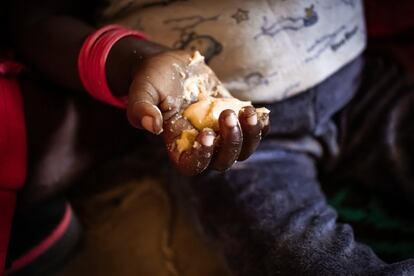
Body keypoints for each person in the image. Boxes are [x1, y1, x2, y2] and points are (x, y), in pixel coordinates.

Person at [5, 0, 414, 275]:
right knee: (293, 254)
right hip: (229, 143)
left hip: (360, 84)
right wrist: (135, 60)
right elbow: (33, 19)